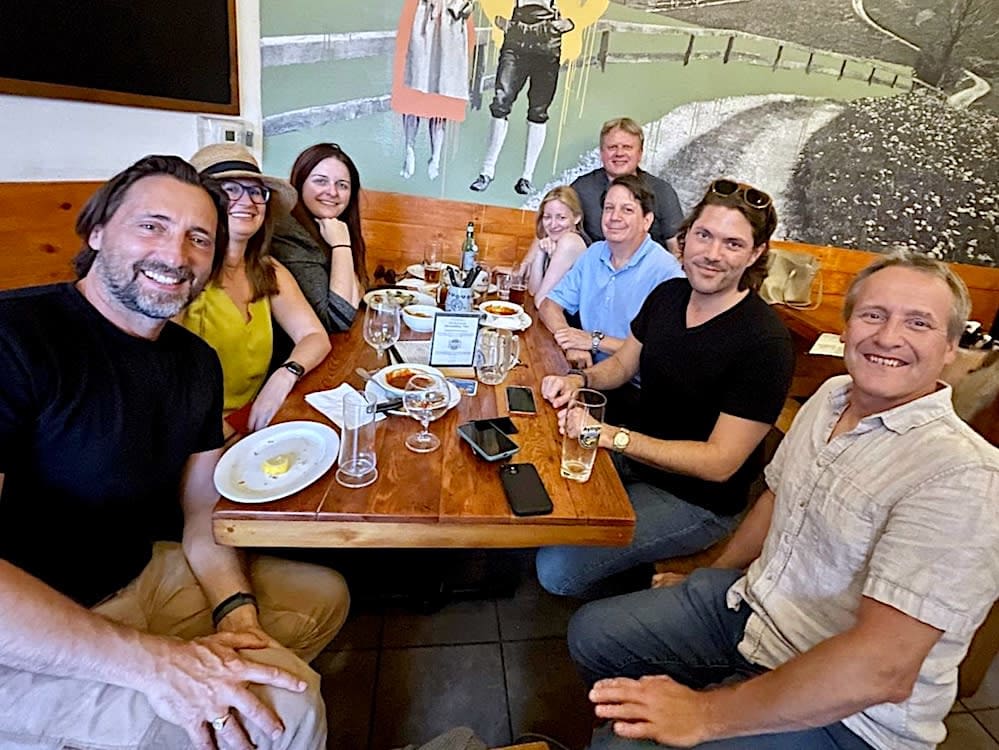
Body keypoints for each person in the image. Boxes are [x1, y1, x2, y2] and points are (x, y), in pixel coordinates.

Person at [568, 250, 999, 750]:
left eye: (918, 323)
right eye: (873, 315)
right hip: (756, 612)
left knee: (623, 745)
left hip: (855, 716)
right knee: (592, 633)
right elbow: (776, 498)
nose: (887, 337)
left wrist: (705, 713)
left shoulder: (964, 476)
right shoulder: (832, 395)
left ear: (950, 348)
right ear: (847, 327)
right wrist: (708, 573)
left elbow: (882, 670)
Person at [0, 155, 349, 748]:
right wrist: (155, 663)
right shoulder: (16, 337)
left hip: (135, 574)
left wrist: (236, 614)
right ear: (97, 231)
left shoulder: (194, 363)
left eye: (198, 238)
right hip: (29, 634)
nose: (175, 254)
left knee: (324, 598)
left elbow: (201, 516)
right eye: (152, 226)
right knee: (290, 712)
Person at [537, 179, 794, 598]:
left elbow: (719, 464)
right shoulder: (669, 294)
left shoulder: (765, 342)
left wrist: (612, 437)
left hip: (696, 500)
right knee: (539, 481)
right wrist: (578, 380)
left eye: (732, 243)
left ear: (755, 254)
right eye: (704, 235)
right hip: (638, 459)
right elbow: (622, 365)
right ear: (686, 237)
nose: (712, 254)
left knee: (556, 571)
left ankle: (660, 584)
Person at [180, 143, 332, 435]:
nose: (248, 201)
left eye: (255, 191)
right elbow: (162, 389)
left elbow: (315, 336)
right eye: (230, 190)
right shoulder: (181, 276)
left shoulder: (267, 268)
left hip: (255, 422)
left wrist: (286, 374)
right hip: (199, 438)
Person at [538, 174, 683, 375]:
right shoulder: (594, 253)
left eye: (627, 210)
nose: (615, 217)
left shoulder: (667, 272)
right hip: (587, 371)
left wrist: (594, 341)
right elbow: (549, 305)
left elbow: (661, 351)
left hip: (635, 385)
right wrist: (571, 342)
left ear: (647, 221)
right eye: (609, 208)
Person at [469, 0, 575, 195]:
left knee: (539, 110)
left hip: (547, 42)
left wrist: (568, 23)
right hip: (517, 37)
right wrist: (502, 22)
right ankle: (486, 171)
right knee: (501, 102)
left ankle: (526, 177)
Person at [271, 142, 369, 334]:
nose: (332, 192)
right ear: (300, 183)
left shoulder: (333, 227)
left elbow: (357, 295)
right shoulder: (288, 234)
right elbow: (338, 319)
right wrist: (341, 245)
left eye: (342, 185)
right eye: (320, 181)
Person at [571, 117, 683, 255]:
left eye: (627, 147)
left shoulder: (662, 191)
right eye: (612, 147)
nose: (619, 153)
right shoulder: (581, 189)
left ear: (640, 153)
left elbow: (677, 250)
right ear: (602, 153)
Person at [522, 184, 588, 302]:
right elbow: (533, 291)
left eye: (561, 218)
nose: (553, 225)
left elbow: (541, 301)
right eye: (547, 217)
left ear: (576, 218)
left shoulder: (571, 241)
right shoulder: (552, 240)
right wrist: (540, 252)